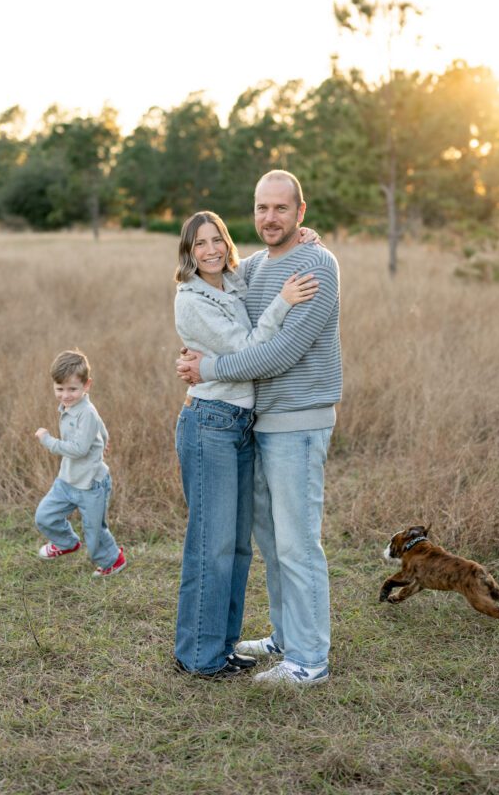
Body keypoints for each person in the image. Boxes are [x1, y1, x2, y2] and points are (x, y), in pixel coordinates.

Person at [177, 171, 342, 685]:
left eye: (281, 209)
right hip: (257, 424)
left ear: (301, 211)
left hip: (298, 421)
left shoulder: (316, 264)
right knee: (271, 542)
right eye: (261, 208)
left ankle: (309, 660)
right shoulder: (252, 266)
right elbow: (216, 272)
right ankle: (285, 635)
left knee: (297, 543)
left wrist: (208, 370)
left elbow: (282, 352)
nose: (270, 218)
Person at [34, 349, 126, 579]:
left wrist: (48, 440)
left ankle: (113, 560)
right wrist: (104, 439)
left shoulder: (87, 412)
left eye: (72, 389)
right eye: (60, 389)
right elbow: (100, 426)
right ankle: (66, 543)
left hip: (91, 484)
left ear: (87, 385)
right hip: (67, 479)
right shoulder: (71, 406)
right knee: (44, 516)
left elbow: (78, 449)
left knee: (94, 530)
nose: (65, 395)